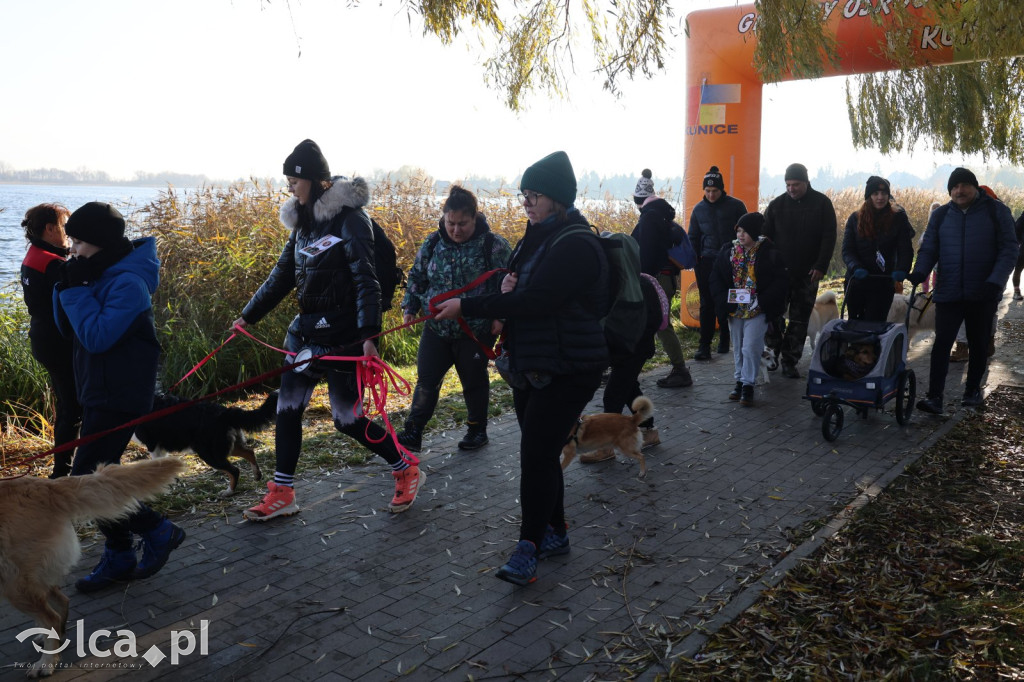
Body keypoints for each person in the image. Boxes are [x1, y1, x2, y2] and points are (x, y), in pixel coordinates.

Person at [434, 151, 609, 586]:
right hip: (532, 362)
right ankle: (556, 532)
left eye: (535, 195)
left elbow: (538, 301)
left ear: (557, 198)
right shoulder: (535, 236)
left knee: (534, 455)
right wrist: (508, 285)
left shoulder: (576, 243)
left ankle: (527, 547)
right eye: (524, 195)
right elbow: (517, 288)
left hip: (569, 367)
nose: (527, 202)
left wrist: (468, 305)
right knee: (543, 452)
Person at [233, 139, 424, 520]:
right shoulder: (302, 223)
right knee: (287, 407)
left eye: (293, 181)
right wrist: (246, 316)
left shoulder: (351, 219)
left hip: (343, 335)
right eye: (287, 181)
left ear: (316, 181)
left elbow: (366, 280)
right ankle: (282, 492)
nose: (289, 188)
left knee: (346, 419)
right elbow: (282, 274)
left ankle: (404, 466)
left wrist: (369, 335)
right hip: (304, 331)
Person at [56, 202, 185, 592]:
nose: (73, 250)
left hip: (119, 393)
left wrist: (76, 290)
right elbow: (69, 329)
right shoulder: (100, 272)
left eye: (78, 242)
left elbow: (96, 337)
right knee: (100, 476)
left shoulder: (127, 282)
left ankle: (157, 530)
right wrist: (66, 285)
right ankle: (121, 554)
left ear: (99, 242)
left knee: (87, 480)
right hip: (100, 388)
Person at [396, 185, 512, 452]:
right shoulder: (432, 242)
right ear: (444, 217)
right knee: (426, 381)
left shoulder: (493, 246)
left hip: (475, 330)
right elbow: (417, 276)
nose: (456, 230)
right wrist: (409, 306)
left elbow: (508, 284)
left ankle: (476, 429)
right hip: (436, 328)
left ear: (475, 218)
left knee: (473, 381)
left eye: (463, 224)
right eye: (451, 223)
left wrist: (502, 318)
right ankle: (413, 431)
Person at [908, 167, 1019, 412]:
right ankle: (935, 397)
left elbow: (1009, 249)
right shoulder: (941, 216)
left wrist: (996, 281)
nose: (959, 190)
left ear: (974, 186)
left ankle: (972, 392)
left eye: (964, 185)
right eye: (954, 187)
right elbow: (929, 249)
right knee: (941, 344)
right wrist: (920, 272)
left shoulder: (996, 211)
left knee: (979, 344)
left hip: (984, 292)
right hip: (948, 291)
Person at [19, 203, 82, 478]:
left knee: (69, 404)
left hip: (42, 338)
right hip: (56, 342)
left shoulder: (35, 254)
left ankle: (66, 467)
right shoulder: (51, 263)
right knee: (73, 407)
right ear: (49, 228)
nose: (68, 232)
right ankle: (62, 473)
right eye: (64, 225)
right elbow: (78, 288)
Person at [579, 271, 667, 464]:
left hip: (634, 349)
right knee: (628, 389)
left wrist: (627, 338)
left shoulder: (641, 284)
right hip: (624, 349)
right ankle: (649, 432)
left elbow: (652, 319)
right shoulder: (619, 281)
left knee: (613, 395)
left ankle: (605, 448)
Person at [763, 163, 838, 378]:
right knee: (774, 316)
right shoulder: (777, 205)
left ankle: (790, 360)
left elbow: (828, 237)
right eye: (788, 185)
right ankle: (773, 352)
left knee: (799, 319)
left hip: (808, 274)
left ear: (806, 182)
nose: (791, 188)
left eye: (796, 184)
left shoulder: (822, 204)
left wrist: (821, 266)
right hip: (779, 274)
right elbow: (765, 237)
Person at [708, 212, 788, 406]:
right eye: (739, 231)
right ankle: (739, 381)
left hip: (757, 309)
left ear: (755, 232)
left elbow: (780, 282)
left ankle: (748, 385)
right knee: (738, 348)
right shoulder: (728, 250)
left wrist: (762, 300)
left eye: (745, 231)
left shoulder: (769, 252)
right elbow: (715, 278)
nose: (741, 235)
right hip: (735, 309)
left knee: (750, 347)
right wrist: (724, 302)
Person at [630, 169, 693, 388]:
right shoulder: (661, 215)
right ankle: (629, 368)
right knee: (651, 323)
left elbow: (646, 253)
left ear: (638, 200)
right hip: (665, 277)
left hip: (655, 279)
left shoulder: (649, 218)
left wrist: (639, 277)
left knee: (660, 324)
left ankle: (680, 369)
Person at [687, 165, 747, 359]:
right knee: (707, 302)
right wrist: (693, 258)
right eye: (707, 191)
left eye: (715, 191)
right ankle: (704, 346)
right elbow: (693, 237)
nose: (711, 195)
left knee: (730, 299)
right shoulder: (698, 209)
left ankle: (725, 337)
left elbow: (746, 233)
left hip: (731, 261)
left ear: (722, 189)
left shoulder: (736, 206)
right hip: (705, 261)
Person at [840, 176, 915, 321]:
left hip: (883, 282)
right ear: (869, 196)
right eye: (875, 194)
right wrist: (856, 267)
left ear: (888, 196)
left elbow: (905, 248)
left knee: (875, 323)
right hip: (857, 281)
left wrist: (902, 269)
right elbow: (847, 250)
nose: (880, 198)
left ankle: (873, 344)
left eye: (884, 194)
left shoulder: (898, 218)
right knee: (855, 323)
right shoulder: (855, 219)